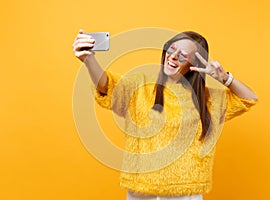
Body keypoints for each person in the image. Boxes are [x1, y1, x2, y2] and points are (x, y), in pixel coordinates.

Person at [72, 29, 258, 200]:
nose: (173, 57)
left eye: (183, 56)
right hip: (141, 192)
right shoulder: (140, 86)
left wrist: (225, 78)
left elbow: (248, 99)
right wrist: (89, 60)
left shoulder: (208, 100)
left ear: (193, 64)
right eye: (171, 49)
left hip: (185, 193)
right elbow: (107, 86)